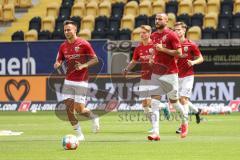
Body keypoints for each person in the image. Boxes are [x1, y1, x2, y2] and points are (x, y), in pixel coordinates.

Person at [54, 20, 100, 141]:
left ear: (75, 30)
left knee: (80, 110)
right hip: (68, 81)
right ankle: (80, 135)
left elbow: (95, 60)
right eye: (65, 30)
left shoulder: (83, 43)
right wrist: (57, 64)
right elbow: (59, 59)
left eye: (69, 29)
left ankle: (94, 117)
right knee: (68, 110)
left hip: (81, 81)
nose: (66, 32)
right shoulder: (63, 46)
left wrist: (83, 65)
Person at [147, 13, 189, 141]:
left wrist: (163, 49)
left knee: (174, 102)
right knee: (154, 103)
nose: (157, 21)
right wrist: (152, 57)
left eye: (160, 19)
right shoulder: (153, 35)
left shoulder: (172, 35)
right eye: (156, 19)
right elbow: (155, 50)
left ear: (166, 21)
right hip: (156, 73)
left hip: (170, 73)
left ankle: (185, 122)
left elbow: (179, 53)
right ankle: (156, 133)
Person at [122, 25, 170, 134]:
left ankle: (156, 126)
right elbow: (134, 61)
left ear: (149, 34)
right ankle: (162, 109)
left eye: (144, 32)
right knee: (144, 105)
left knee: (150, 102)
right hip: (144, 78)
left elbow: (164, 60)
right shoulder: (138, 48)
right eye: (141, 32)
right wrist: (126, 69)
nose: (142, 34)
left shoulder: (155, 46)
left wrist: (155, 62)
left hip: (156, 77)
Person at [173, 22, 204, 133]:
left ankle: (183, 125)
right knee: (177, 101)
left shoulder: (191, 44)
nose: (177, 32)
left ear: (184, 30)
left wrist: (193, 62)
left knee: (183, 99)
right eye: (175, 30)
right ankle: (196, 111)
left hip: (188, 76)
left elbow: (201, 58)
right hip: (175, 76)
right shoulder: (172, 45)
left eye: (179, 30)